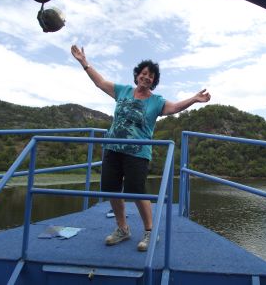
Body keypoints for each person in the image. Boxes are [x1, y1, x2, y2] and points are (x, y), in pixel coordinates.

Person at [71, 45, 211, 251]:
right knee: (111, 189)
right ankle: (122, 228)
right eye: (144, 74)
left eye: (151, 76)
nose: (147, 77)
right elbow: (100, 82)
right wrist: (84, 62)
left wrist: (194, 99)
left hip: (138, 153)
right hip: (112, 148)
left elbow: (174, 108)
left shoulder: (156, 101)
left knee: (137, 191)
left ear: (154, 81)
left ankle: (149, 232)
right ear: (137, 75)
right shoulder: (122, 91)